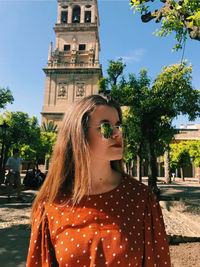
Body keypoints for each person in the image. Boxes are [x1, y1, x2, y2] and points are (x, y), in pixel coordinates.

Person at [26, 95, 171, 267]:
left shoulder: (142, 199)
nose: (118, 134)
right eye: (106, 127)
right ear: (78, 134)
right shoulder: (51, 205)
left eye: (119, 126)